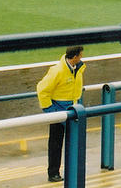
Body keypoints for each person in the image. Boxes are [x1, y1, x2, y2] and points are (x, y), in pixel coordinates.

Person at [36, 46, 85, 183]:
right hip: (59, 113)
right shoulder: (57, 71)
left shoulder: (77, 68)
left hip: (73, 111)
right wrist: (51, 112)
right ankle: (53, 173)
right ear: (75, 57)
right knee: (56, 144)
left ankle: (71, 169)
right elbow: (42, 90)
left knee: (73, 142)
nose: (82, 57)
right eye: (81, 55)